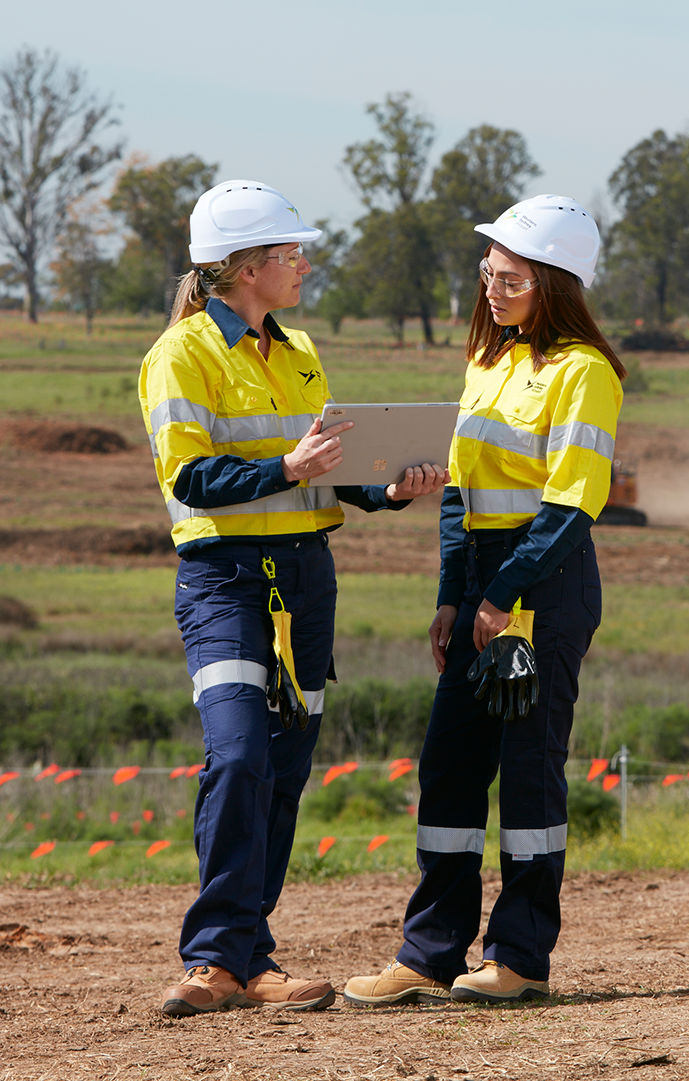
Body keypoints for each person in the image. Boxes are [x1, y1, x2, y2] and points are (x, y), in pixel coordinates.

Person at [139, 180, 445, 1017]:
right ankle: (212, 960)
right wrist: (285, 468)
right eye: (289, 253)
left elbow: (333, 471)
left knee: (281, 771)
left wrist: (393, 487)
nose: (304, 263)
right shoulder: (181, 355)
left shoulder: (300, 347)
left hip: (307, 579)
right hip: (227, 581)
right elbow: (192, 476)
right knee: (237, 754)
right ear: (241, 268)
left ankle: (247, 959)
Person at [344, 194, 626, 1006]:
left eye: (509, 278)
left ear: (555, 284)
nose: (491, 289)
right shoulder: (488, 360)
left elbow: (572, 503)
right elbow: (459, 491)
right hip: (483, 582)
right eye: (488, 273)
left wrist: (501, 594)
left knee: (528, 773)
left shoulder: (583, 374)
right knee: (450, 765)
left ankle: (519, 957)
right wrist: (451, 595)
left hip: (542, 579)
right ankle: (429, 952)